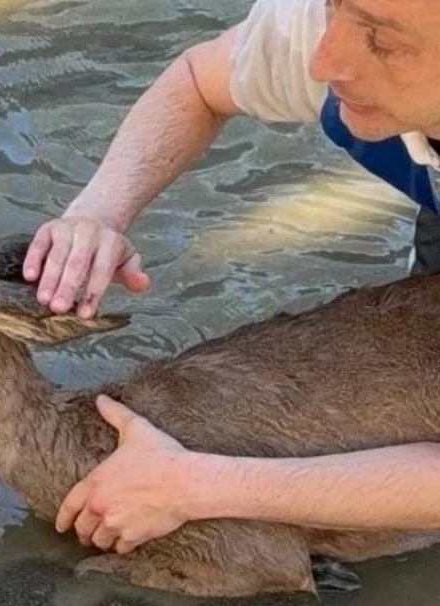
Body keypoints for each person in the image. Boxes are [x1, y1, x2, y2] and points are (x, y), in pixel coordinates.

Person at [22, 0, 440, 556]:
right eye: (333, 8)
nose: (322, 61)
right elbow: (200, 79)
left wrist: (196, 485)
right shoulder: (347, 26)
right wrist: (98, 212)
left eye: (384, 43)